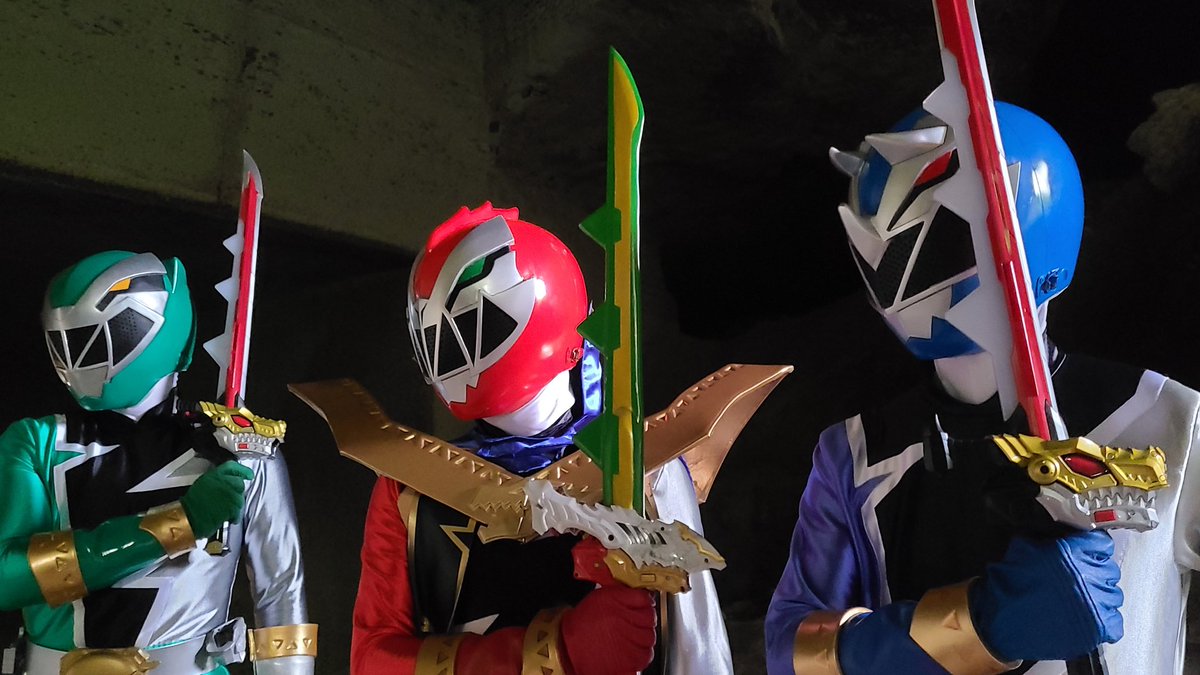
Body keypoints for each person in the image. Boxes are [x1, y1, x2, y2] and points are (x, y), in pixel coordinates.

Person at [765, 103, 1200, 674]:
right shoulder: (857, 453)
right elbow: (792, 652)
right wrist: (978, 625)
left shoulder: (1169, 419)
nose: (897, 271)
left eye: (932, 239)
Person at [349, 203, 735, 675]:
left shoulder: (645, 470)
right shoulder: (412, 489)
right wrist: (555, 649)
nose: (448, 350)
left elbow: (699, 654)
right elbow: (372, 660)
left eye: (469, 326)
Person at [0, 250, 315, 675]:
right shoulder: (37, 442)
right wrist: (177, 524)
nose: (77, 356)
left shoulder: (242, 448)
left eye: (92, 337)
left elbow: (281, 602)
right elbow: (7, 578)